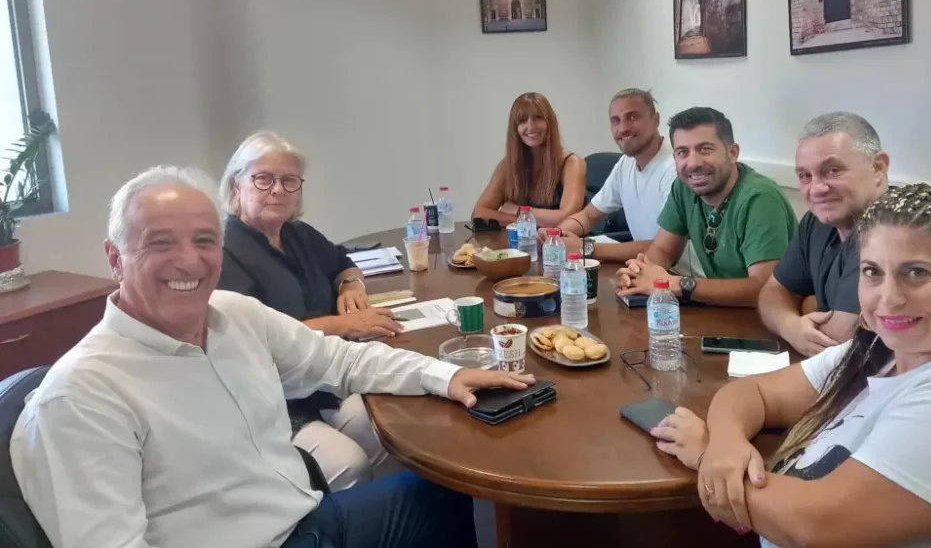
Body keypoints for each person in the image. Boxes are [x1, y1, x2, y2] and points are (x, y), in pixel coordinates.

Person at [11, 165, 532, 548]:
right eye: (160, 243)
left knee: (438, 495)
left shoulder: (233, 314)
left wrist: (446, 375)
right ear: (114, 258)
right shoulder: (80, 396)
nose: (188, 261)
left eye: (205, 241)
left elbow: (343, 361)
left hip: (306, 519)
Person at [650, 183, 931, 547]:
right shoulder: (881, 349)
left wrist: (706, 454)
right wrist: (726, 445)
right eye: (872, 271)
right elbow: (754, 392)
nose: (889, 298)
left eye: (916, 272)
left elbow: (816, 526)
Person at [217, 130, 399, 490]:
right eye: (264, 179)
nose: (278, 190)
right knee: (349, 464)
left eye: (289, 181)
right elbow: (262, 335)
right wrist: (346, 324)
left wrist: (350, 285)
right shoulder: (224, 251)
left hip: (323, 379)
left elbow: (342, 261)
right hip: (272, 400)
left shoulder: (297, 234)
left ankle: (385, 513)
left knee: (391, 430)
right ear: (236, 186)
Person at [615, 107, 797, 308]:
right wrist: (641, 274)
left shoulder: (760, 198)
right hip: (721, 311)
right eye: (682, 152)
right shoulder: (683, 187)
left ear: (732, 153)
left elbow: (764, 288)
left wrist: (679, 284)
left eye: (705, 149)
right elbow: (663, 249)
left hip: (767, 317)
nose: (693, 163)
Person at [758, 112, 890, 357]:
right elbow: (772, 291)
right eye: (805, 176)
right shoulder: (818, 221)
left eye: (832, 170)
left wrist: (808, 306)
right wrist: (790, 326)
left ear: (877, 168)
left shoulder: (891, 228)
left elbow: (840, 341)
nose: (817, 189)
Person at [541, 88, 675, 263]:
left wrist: (585, 247)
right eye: (615, 120)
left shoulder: (674, 167)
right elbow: (588, 216)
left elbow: (664, 248)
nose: (623, 128)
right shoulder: (626, 164)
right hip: (646, 266)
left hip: (678, 272)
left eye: (633, 117)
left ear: (655, 120)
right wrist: (556, 235)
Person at [472, 92, 586, 229]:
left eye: (538, 118)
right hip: (519, 242)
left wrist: (518, 210)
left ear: (550, 122)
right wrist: (524, 220)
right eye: (522, 120)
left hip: (558, 241)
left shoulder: (572, 163)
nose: (531, 127)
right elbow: (479, 213)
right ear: (515, 128)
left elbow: (569, 218)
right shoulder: (507, 165)